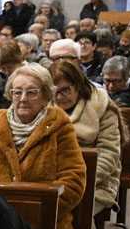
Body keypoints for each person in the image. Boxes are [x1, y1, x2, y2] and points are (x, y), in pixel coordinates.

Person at [0, 63, 86, 229]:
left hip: (45, 226)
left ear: (46, 96)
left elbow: (74, 181)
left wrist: (35, 210)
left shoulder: (60, 125)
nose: (23, 99)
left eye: (31, 93)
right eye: (17, 92)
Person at [50, 59, 123, 216]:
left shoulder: (102, 107)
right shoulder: (45, 108)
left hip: (95, 181)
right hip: (51, 179)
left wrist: (77, 182)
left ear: (78, 85)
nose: (59, 98)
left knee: (76, 211)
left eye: (65, 90)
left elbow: (109, 153)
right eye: (54, 92)